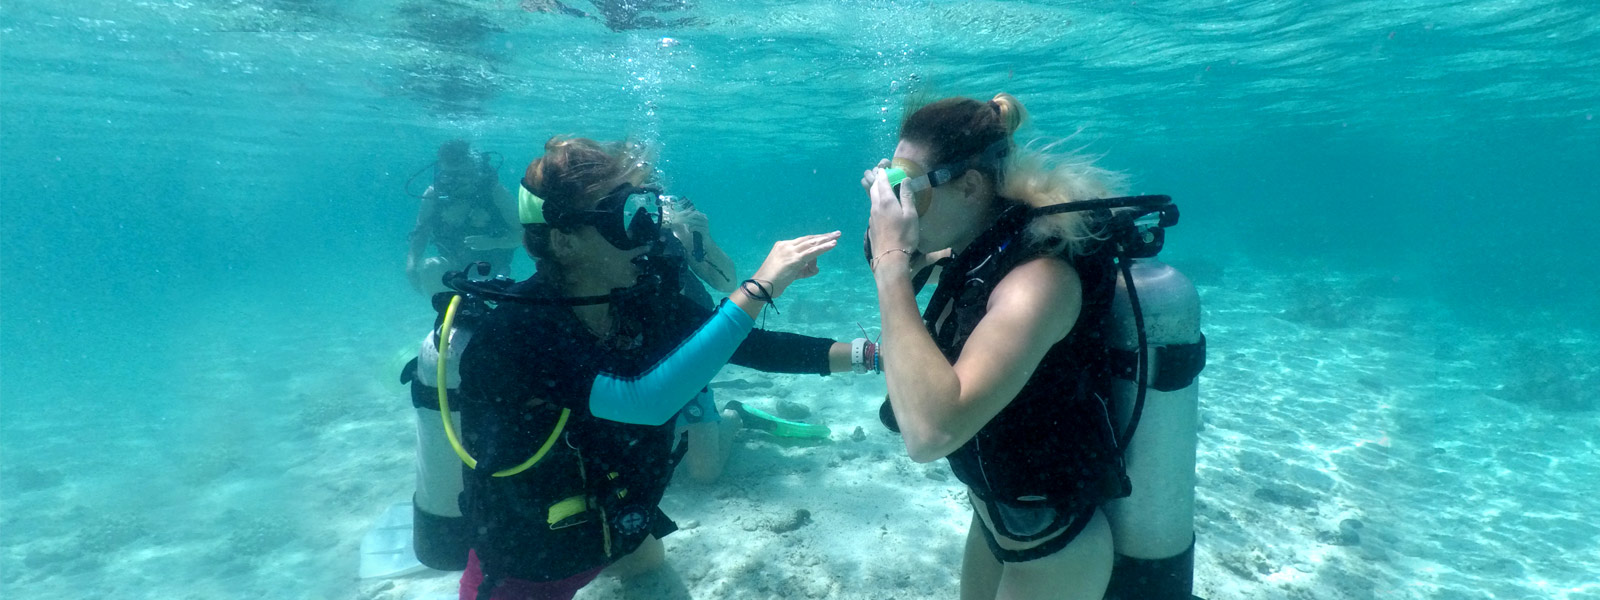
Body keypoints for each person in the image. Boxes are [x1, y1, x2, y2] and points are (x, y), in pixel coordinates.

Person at [445, 136, 873, 599]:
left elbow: (748, 346)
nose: (647, 232)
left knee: (648, 561)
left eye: (644, 211)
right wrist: (759, 288)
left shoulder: (637, 301)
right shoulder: (516, 332)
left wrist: (871, 356)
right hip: (530, 561)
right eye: (623, 219)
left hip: (615, 527)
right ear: (565, 242)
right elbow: (643, 401)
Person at [863, 93, 1134, 599]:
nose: (896, 206)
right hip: (994, 520)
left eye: (907, 192)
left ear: (969, 187)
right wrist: (898, 244)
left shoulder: (1037, 281)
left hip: (1052, 545)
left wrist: (892, 263)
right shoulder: (973, 251)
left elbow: (931, 433)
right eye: (889, 189)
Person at [407, 140, 522, 295]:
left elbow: (523, 237)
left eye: (462, 176)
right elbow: (421, 233)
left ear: (475, 171)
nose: (455, 183)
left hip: (490, 265)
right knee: (430, 268)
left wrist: (494, 242)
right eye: (448, 176)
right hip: (453, 261)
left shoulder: (496, 194)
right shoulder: (433, 195)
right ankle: (449, 314)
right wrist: (412, 263)